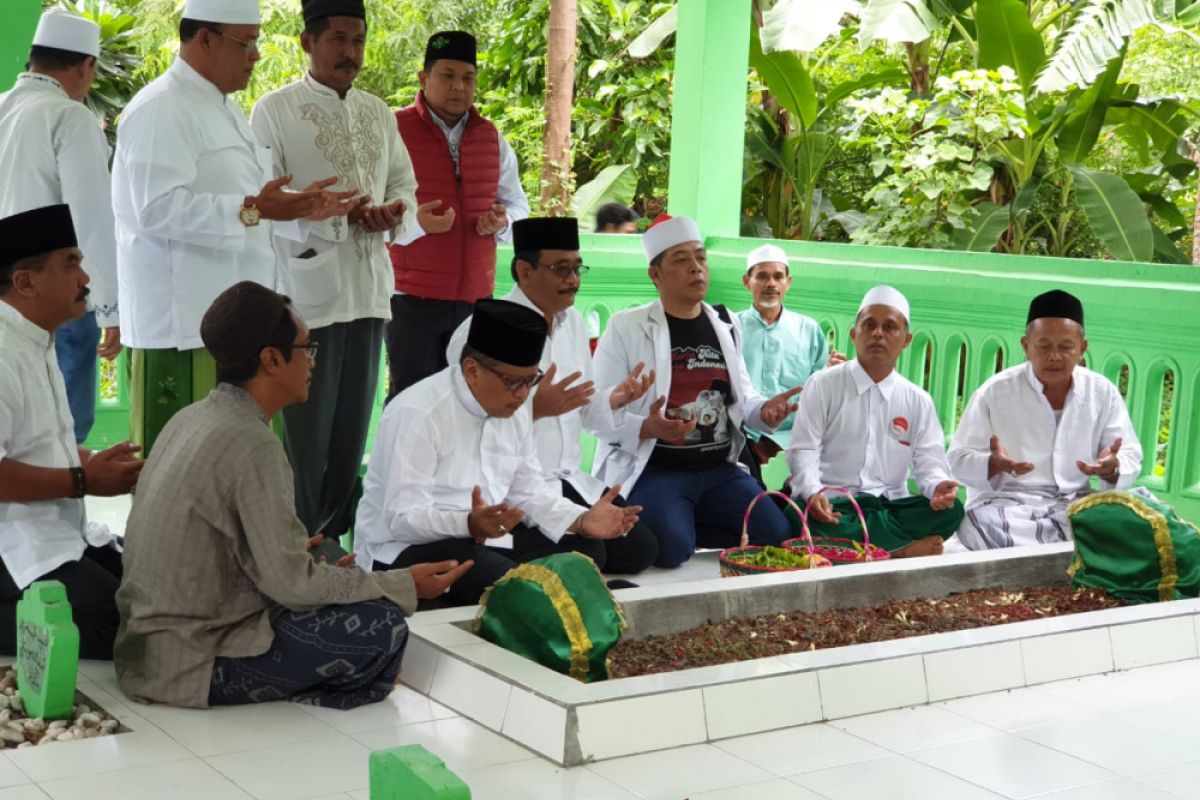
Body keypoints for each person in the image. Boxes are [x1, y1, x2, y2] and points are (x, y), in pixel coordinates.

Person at [114, 281, 471, 710]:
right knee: (384, 625)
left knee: (329, 556)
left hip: (145, 645)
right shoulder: (252, 442)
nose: (313, 364)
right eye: (307, 349)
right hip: (191, 659)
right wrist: (400, 584)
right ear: (271, 359)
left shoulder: (193, 416)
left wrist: (305, 560)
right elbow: (291, 586)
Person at [111, 0, 356, 456]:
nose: (257, 55)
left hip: (238, 329)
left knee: (241, 469)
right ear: (204, 38)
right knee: (186, 469)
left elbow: (251, 212)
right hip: (185, 332)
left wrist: (298, 210)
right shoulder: (162, 109)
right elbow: (156, 209)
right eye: (246, 42)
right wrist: (255, 209)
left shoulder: (222, 110)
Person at [250, 0, 418, 540]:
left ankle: (335, 549)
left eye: (359, 40)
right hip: (308, 301)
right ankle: (295, 550)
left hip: (368, 293)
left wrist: (392, 214)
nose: (351, 53)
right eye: (339, 39)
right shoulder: (273, 111)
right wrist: (326, 216)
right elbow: (263, 205)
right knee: (305, 439)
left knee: (350, 439)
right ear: (307, 42)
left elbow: (403, 186)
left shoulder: (377, 112)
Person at [356, 299, 641, 608]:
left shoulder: (516, 407)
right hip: (411, 547)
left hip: (488, 535)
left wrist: (582, 519)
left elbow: (528, 492)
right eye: (513, 382)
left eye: (531, 380)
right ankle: (554, 600)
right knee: (508, 585)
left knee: (585, 546)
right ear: (472, 370)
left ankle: (543, 595)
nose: (522, 394)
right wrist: (468, 523)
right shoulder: (418, 412)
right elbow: (401, 519)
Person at [446, 217, 659, 575]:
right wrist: (535, 410)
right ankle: (497, 555)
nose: (573, 279)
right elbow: (464, 425)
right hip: (507, 487)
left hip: (564, 479)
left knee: (640, 549)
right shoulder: (482, 330)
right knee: (591, 556)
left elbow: (582, 410)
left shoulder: (574, 323)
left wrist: (613, 398)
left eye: (577, 268)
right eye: (561, 269)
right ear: (524, 271)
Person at [590, 216, 801, 569]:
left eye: (700, 258)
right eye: (681, 260)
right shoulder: (627, 327)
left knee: (775, 533)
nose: (696, 268)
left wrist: (764, 411)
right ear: (655, 275)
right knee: (669, 551)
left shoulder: (724, 322)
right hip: (658, 468)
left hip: (719, 470)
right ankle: (676, 522)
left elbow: (742, 399)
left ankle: (684, 519)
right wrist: (648, 428)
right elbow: (595, 415)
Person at [0, 205, 141, 660]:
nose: (85, 278)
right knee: (120, 622)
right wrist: (83, 481)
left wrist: (89, 461)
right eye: (71, 264)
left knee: (149, 587)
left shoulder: (33, 338)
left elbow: (33, 442)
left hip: (57, 532)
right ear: (25, 282)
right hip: (13, 546)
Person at [385, 30, 531, 399]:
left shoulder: (492, 138)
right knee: (411, 400)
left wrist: (502, 223)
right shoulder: (393, 130)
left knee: (468, 403)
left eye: (467, 78)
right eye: (447, 75)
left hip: (474, 300)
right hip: (410, 299)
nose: (458, 87)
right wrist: (417, 224)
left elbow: (518, 206)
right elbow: (373, 210)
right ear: (424, 79)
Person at [0, 10, 121, 445]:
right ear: (87, 66)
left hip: (5, 291)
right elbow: (89, 218)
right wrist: (109, 307)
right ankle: (65, 510)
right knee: (62, 426)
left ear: (33, 58)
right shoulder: (70, 117)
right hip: (54, 293)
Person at [947, 290, 1143, 550]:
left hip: (1077, 502)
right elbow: (957, 459)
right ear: (1026, 347)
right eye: (1044, 346)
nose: (1054, 356)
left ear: (1082, 349)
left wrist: (1112, 466)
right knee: (977, 523)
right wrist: (992, 464)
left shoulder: (1101, 391)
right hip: (1008, 505)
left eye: (1065, 347)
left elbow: (1129, 453)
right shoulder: (995, 391)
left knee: (1142, 513)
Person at [786, 286, 963, 557]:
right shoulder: (823, 385)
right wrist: (812, 493)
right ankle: (898, 551)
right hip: (835, 504)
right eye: (869, 325)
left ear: (906, 340)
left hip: (891, 504)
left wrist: (938, 486)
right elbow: (803, 450)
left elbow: (929, 460)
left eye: (890, 327)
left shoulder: (917, 399)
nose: (878, 333)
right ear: (854, 335)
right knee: (794, 515)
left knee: (953, 511)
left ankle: (852, 550)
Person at [738, 243, 843, 463]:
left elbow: (819, 390)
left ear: (788, 282)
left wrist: (829, 373)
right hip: (742, 433)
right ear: (747, 282)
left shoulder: (809, 330)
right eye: (762, 277)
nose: (771, 284)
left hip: (792, 436)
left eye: (778, 277)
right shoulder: (731, 327)